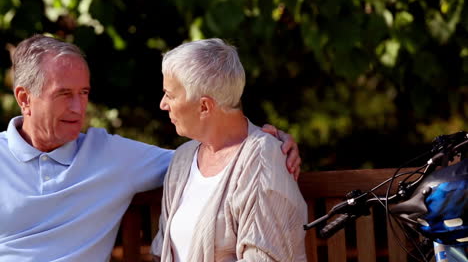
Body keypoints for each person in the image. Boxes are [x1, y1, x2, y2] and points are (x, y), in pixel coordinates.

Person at [0, 34, 301, 261]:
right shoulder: (2, 156)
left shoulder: (112, 155)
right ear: (25, 98)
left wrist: (271, 142)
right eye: (65, 94)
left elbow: (222, 153)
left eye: (84, 92)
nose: (79, 108)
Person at [151, 38, 307, 262]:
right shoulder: (183, 159)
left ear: (204, 106)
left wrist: (269, 146)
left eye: (171, 95)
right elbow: (161, 253)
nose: (163, 104)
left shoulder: (262, 159)